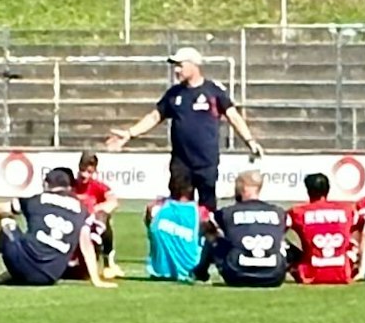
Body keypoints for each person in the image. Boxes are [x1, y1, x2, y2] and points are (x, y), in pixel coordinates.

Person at [104, 46, 263, 211]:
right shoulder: (174, 93)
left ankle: (206, 237)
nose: (176, 70)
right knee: (178, 208)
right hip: (181, 163)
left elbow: (234, 116)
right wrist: (130, 133)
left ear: (193, 65)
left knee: (206, 211)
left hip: (205, 162)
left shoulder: (213, 91)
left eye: (180, 65)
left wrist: (250, 141)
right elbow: (155, 116)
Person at [0, 167, 113, 288]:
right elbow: (86, 245)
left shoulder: (37, 199)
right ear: (69, 187)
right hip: (51, 275)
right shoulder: (82, 210)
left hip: (25, 264)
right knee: (33, 250)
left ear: (47, 184)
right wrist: (96, 280)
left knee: (6, 223)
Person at [200, 170, 288, 287]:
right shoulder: (279, 212)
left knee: (212, 236)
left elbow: (206, 226)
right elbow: (286, 228)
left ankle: (200, 272)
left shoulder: (227, 212)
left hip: (236, 274)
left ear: (243, 188)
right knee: (283, 242)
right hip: (275, 276)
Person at [287, 172, 357, 285]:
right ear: (328, 189)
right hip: (342, 273)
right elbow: (362, 229)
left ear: (308, 190)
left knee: (283, 244)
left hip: (310, 273)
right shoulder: (347, 209)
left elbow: (279, 229)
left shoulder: (298, 212)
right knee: (354, 244)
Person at [143, 166, 212, 282]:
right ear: (191, 189)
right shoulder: (199, 212)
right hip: (190, 272)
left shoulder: (155, 208)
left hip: (159, 272)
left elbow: (149, 228)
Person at [74, 151, 125, 280]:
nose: (85, 175)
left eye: (89, 172)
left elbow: (113, 202)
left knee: (103, 217)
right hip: (72, 226)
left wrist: (95, 209)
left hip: (90, 229)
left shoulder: (98, 187)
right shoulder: (70, 185)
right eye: (83, 170)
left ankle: (108, 263)